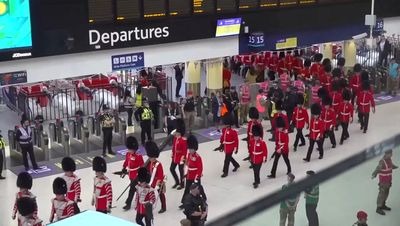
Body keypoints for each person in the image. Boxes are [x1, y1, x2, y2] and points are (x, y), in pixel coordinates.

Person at [180, 135, 206, 208]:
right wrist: (185, 173)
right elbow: (187, 164)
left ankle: (203, 198)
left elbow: (200, 168)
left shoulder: (198, 157)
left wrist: (197, 177)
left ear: (194, 149)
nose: (190, 150)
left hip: (195, 175)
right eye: (189, 149)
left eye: (191, 149)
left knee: (198, 188)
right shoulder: (188, 155)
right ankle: (184, 202)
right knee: (187, 189)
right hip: (189, 175)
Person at [372, 149, 398, 215]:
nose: (392, 154)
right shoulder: (382, 161)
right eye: (390, 153)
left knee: (386, 194)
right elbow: (378, 168)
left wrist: (395, 167)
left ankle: (383, 205)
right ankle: (378, 208)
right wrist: (374, 174)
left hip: (388, 181)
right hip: (383, 182)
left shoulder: (389, 160)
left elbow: (391, 165)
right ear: (386, 154)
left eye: (391, 153)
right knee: (381, 194)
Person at [122, 136, 144, 210]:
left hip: (136, 175)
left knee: (132, 189)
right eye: (129, 149)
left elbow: (142, 167)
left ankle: (128, 203)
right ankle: (140, 200)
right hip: (131, 175)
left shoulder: (138, 156)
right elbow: (126, 162)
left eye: (130, 149)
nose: (129, 150)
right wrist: (123, 168)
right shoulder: (128, 154)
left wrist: (139, 175)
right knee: (136, 189)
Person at [145, 141, 167, 214]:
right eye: (150, 157)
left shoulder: (158, 164)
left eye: (152, 157)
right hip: (151, 181)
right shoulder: (150, 163)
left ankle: (163, 207)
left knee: (161, 195)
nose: (151, 159)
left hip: (158, 182)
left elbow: (160, 175)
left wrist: (157, 184)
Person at [249, 124, 267, 188]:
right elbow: (250, 150)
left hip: (259, 159)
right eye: (255, 136)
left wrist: (264, 158)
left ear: (259, 136)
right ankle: (257, 180)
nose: (256, 138)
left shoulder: (262, 142)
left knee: (257, 170)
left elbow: (265, 150)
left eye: (257, 136)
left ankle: (256, 182)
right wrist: (250, 157)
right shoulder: (252, 141)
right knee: (255, 171)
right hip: (253, 158)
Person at [170, 119, 187, 190]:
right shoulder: (175, 139)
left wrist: (182, 158)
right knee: (172, 169)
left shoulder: (183, 140)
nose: (175, 133)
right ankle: (177, 181)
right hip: (175, 157)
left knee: (181, 171)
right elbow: (174, 147)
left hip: (181, 157)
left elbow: (184, 150)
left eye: (176, 132)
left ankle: (182, 184)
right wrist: (172, 153)